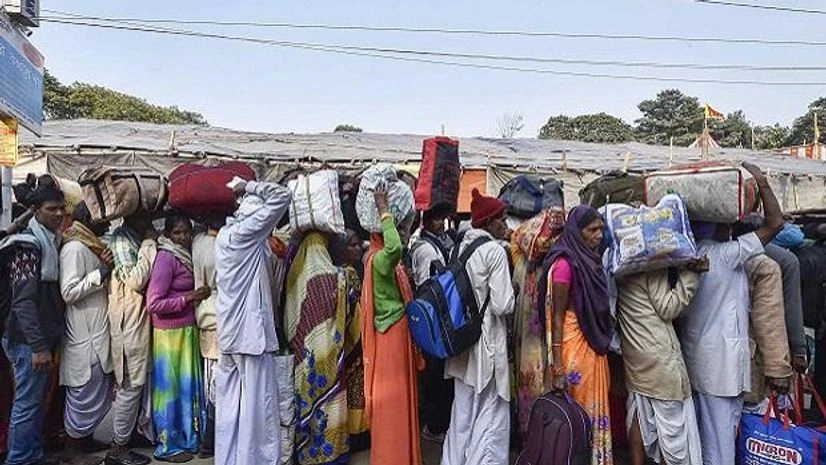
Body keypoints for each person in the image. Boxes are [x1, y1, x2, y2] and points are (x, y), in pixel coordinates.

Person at [676, 162, 784, 465]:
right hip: (720, 371)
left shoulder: (689, 257)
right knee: (720, 449)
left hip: (706, 365)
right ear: (724, 225)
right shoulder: (725, 254)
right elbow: (775, 224)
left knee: (705, 441)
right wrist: (761, 181)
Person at [215, 179, 291, 465]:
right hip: (250, 337)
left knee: (232, 409)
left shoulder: (226, 236)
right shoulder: (245, 236)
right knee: (259, 411)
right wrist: (249, 185)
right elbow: (281, 196)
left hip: (232, 336)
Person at [441, 189, 514, 465]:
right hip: (487, 347)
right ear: (489, 222)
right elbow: (503, 305)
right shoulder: (494, 251)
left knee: (461, 413)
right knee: (490, 414)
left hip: (461, 342)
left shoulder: (459, 248)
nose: (506, 225)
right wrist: (514, 288)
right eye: (502, 219)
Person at [540, 205, 614, 465]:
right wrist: (557, 365)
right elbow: (556, 317)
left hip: (593, 348)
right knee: (579, 416)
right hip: (574, 349)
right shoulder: (565, 265)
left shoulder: (590, 262)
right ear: (576, 231)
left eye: (601, 229)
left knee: (594, 411)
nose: (598, 235)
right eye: (592, 230)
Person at [616, 260, 708, 465]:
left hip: (635, 350)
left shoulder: (622, 262)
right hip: (659, 355)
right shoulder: (653, 264)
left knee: (639, 414)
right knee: (672, 430)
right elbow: (667, 308)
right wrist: (690, 275)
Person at [0, 184, 66, 465]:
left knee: (36, 401)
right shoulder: (27, 246)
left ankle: (32, 455)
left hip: (38, 338)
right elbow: (23, 302)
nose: (59, 214)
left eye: (62, 208)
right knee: (27, 403)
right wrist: (38, 347)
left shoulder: (49, 241)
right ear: (36, 212)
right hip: (25, 339)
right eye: (51, 209)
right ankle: (19, 460)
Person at [360, 185, 421, 465]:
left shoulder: (373, 257)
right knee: (395, 403)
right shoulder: (382, 259)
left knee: (395, 401)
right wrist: (384, 209)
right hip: (392, 336)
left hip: (390, 334)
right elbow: (395, 245)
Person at [146, 214, 209, 463]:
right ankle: (167, 445)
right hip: (168, 335)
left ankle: (187, 438)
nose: (182, 238)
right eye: (177, 233)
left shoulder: (187, 256)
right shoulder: (166, 258)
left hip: (186, 330)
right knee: (169, 391)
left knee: (186, 388)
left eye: (186, 233)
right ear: (168, 234)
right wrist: (188, 298)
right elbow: (154, 303)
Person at [285, 231, 350, 465]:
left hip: (304, 354)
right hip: (326, 352)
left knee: (308, 399)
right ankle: (330, 454)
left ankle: (307, 452)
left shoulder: (295, 271)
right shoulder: (330, 274)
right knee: (329, 405)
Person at [58, 202, 115, 451]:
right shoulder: (74, 248)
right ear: (90, 219)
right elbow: (69, 292)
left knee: (96, 388)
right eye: (103, 219)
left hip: (97, 333)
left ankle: (85, 441)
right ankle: (72, 448)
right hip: (84, 335)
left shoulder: (91, 245)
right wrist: (101, 272)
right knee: (83, 393)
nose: (108, 224)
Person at [106, 212, 158, 465]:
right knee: (131, 384)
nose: (151, 222)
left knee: (136, 382)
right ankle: (118, 448)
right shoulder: (123, 240)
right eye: (147, 218)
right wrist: (149, 244)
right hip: (129, 320)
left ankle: (129, 437)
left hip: (134, 317)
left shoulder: (129, 236)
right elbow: (137, 281)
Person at [410, 208, 455, 443]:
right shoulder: (426, 249)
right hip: (432, 315)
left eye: (442, 218)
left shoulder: (437, 242)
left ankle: (436, 422)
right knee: (434, 373)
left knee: (436, 372)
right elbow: (429, 283)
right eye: (436, 218)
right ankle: (434, 425)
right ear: (426, 221)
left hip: (433, 314)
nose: (440, 223)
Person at [330, 230, 369, 452]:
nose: (356, 249)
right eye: (351, 245)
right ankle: (358, 433)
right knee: (357, 389)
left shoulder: (338, 272)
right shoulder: (349, 273)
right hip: (355, 339)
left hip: (345, 339)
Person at [191, 217, 223, 459]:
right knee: (220, 387)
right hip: (222, 319)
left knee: (212, 385)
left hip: (205, 317)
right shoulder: (227, 242)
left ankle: (208, 441)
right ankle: (210, 441)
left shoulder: (197, 242)